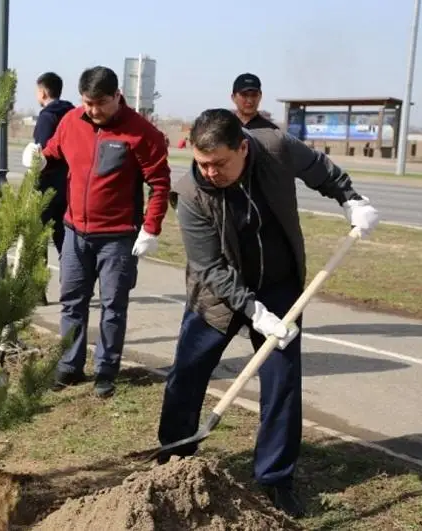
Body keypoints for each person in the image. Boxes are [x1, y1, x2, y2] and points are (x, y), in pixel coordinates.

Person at [157, 109, 380, 518]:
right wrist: (253, 312)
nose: (210, 172)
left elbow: (319, 169)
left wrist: (350, 198)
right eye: (203, 164)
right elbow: (210, 269)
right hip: (218, 294)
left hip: (279, 288)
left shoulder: (276, 147)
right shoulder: (190, 193)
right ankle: (173, 461)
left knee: (282, 383)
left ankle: (275, 479)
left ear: (243, 147)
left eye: (220, 163)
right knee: (187, 375)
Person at [22, 66, 171, 398]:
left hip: (118, 237)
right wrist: (39, 159)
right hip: (74, 231)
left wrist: (151, 227)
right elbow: (53, 154)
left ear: (117, 96)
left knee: (113, 306)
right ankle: (69, 366)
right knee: (72, 302)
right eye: (87, 102)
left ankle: (106, 370)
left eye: (100, 103)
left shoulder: (141, 132)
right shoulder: (71, 122)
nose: (93, 110)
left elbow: (160, 184)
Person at [33, 72, 74, 267]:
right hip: (69, 184)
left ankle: (38, 292)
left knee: (38, 236)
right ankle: (74, 283)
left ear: (42, 93)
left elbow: (42, 153)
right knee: (64, 235)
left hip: (48, 185)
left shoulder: (47, 117)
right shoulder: (73, 115)